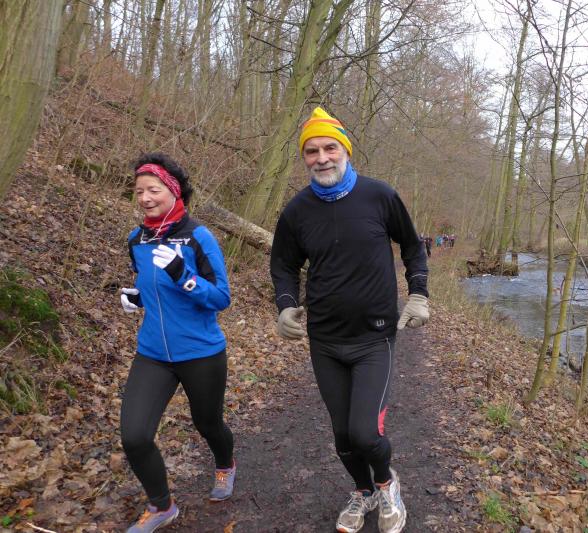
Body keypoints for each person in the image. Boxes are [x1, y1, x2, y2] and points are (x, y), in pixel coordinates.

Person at [270, 107, 430, 533]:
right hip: (324, 339)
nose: (322, 158)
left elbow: (413, 247)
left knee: (365, 433)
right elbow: (283, 264)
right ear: (304, 157)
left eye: (330, 148)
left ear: (345, 150)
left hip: (375, 338)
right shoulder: (297, 211)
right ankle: (363, 491)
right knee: (342, 436)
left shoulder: (379, 196)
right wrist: (285, 305)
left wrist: (418, 294)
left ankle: (387, 484)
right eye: (312, 151)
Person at [119, 153, 235, 533]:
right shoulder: (136, 239)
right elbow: (153, 287)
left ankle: (225, 464)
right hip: (153, 353)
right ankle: (162, 505)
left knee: (208, 423)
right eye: (139, 191)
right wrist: (138, 298)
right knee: (135, 436)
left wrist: (183, 274)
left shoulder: (198, 237)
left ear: (173, 191)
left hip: (201, 351)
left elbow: (220, 297)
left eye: (153, 190)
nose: (145, 198)